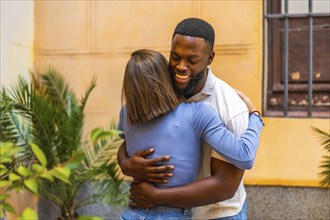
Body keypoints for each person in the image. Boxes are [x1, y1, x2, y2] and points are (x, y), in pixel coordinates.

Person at [117, 18, 261, 219]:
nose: (181, 67)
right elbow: (132, 137)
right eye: (175, 57)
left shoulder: (228, 107)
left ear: (210, 58)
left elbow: (225, 186)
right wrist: (126, 163)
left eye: (192, 60)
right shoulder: (162, 90)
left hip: (216, 214)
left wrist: (255, 116)